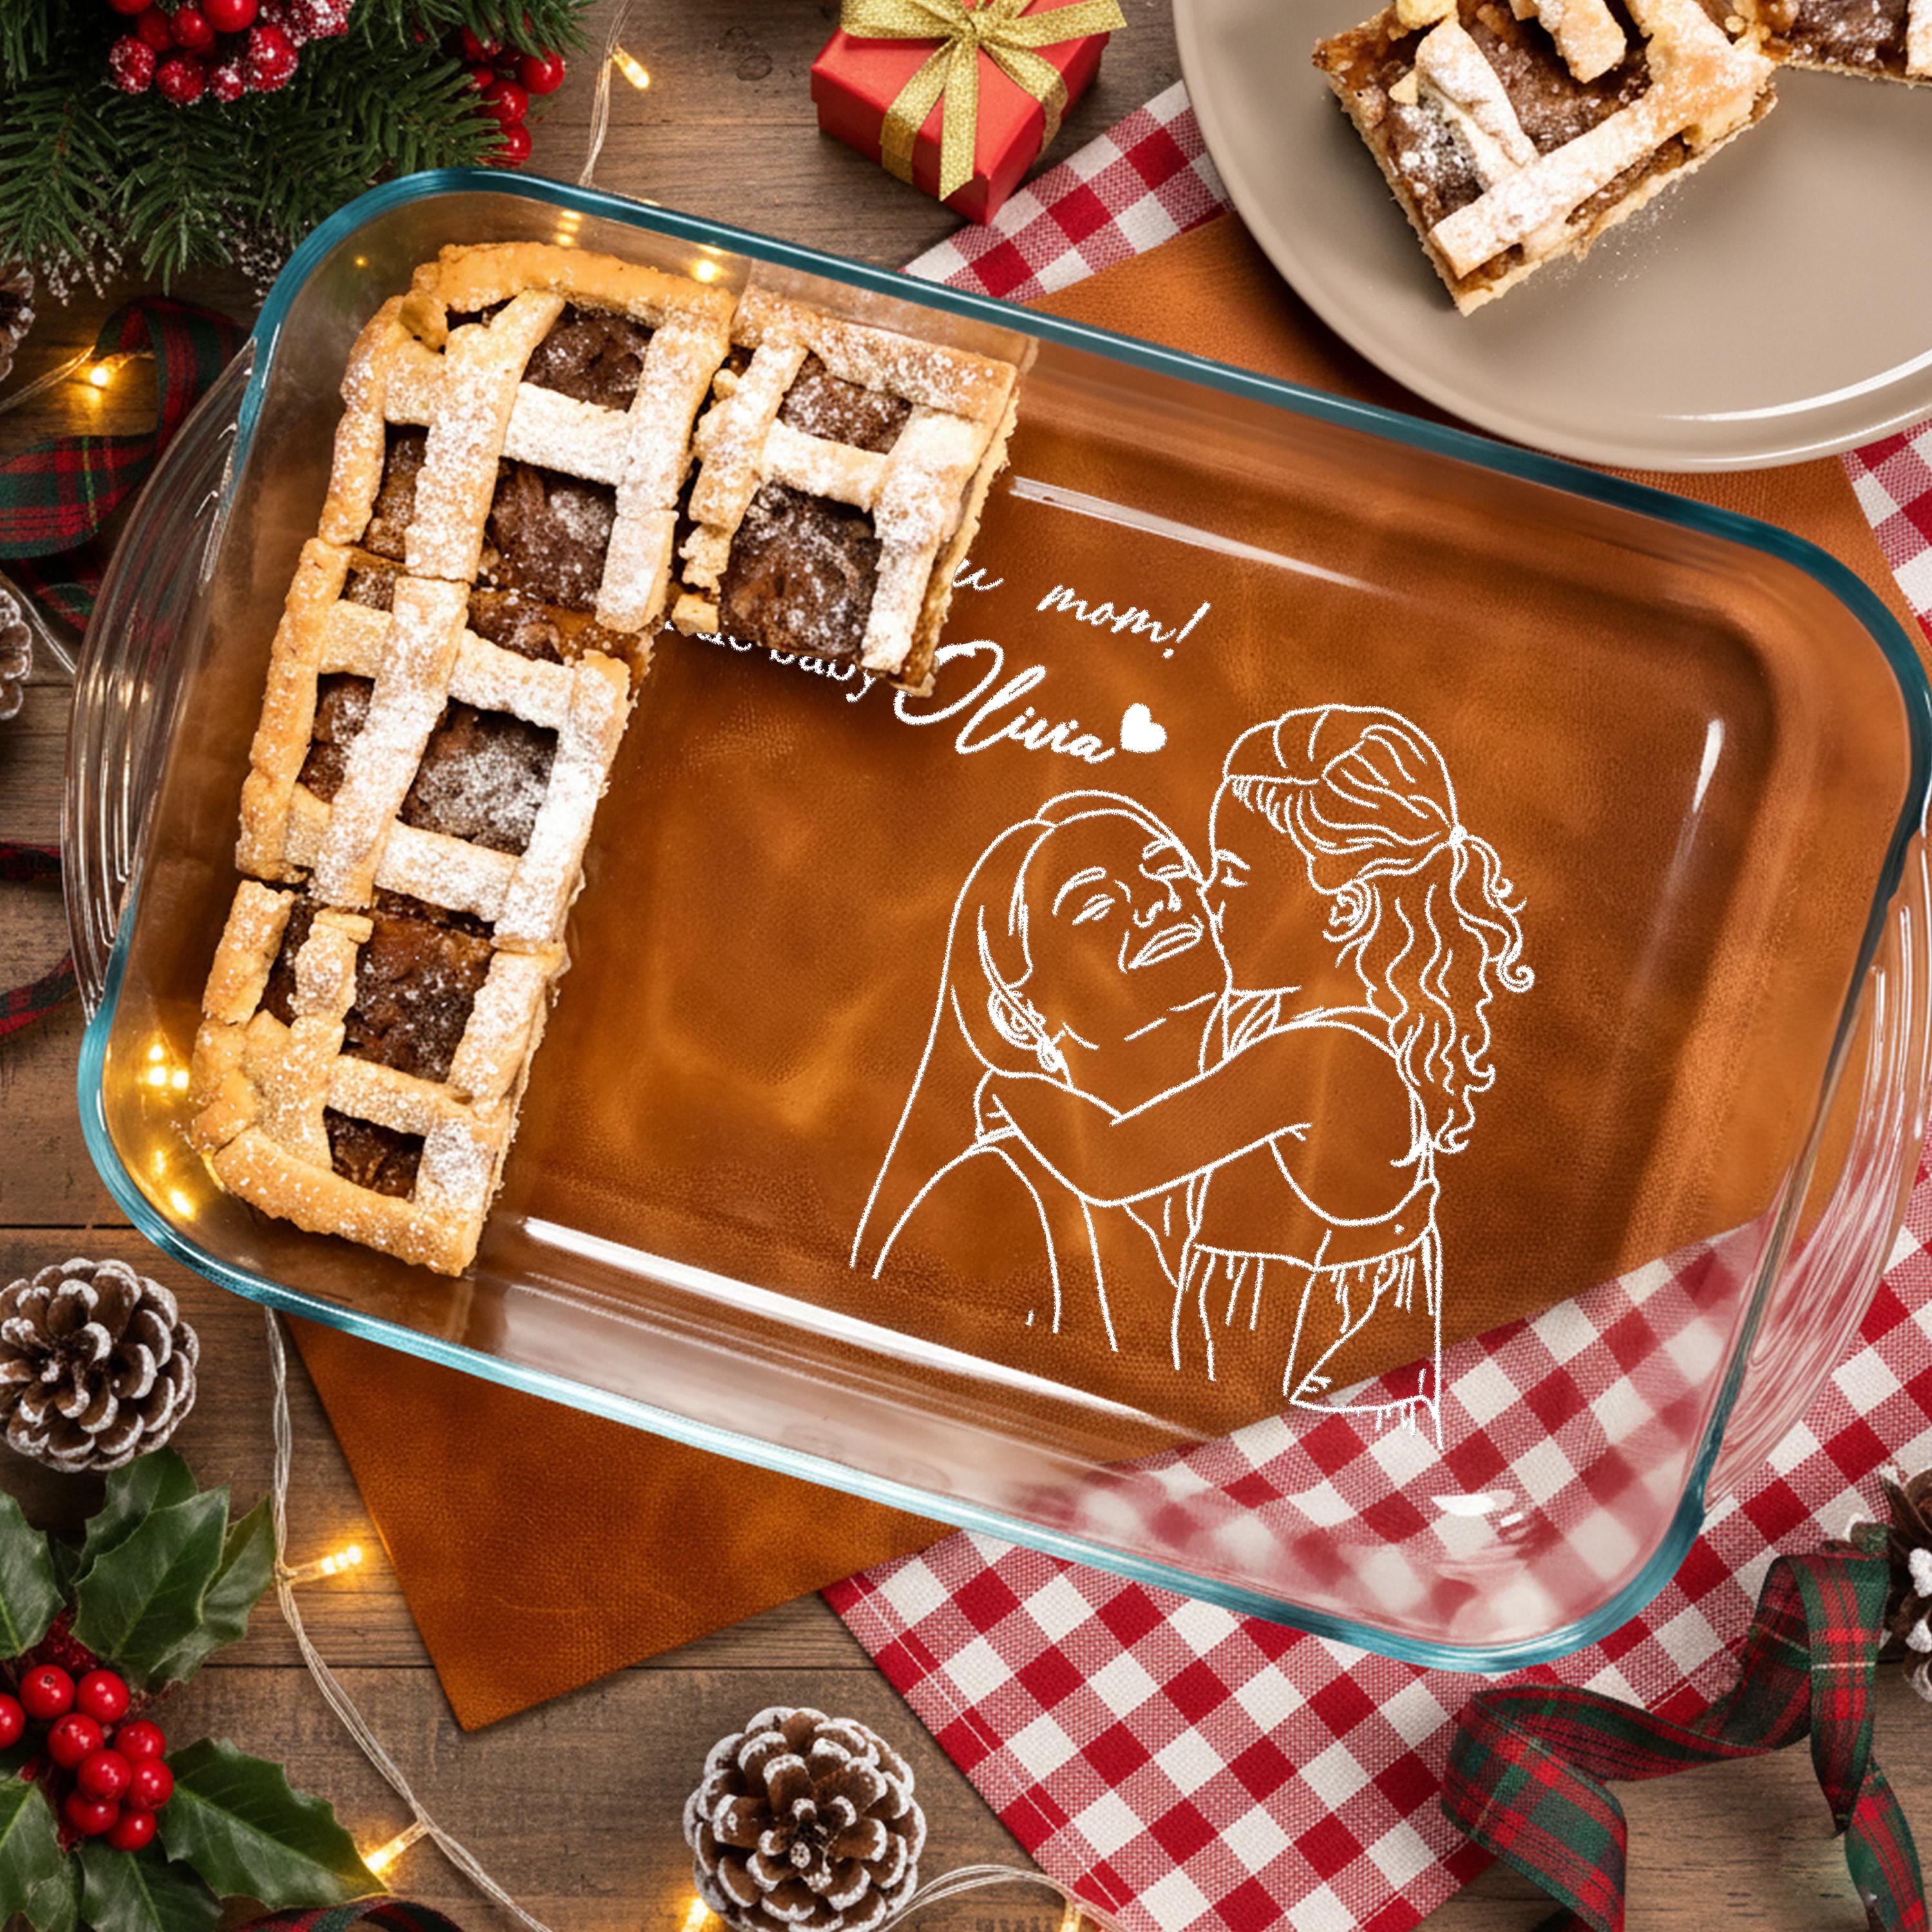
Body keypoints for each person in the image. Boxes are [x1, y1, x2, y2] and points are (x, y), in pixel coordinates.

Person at [987, 705, 1532, 1426]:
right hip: (1253, 1385)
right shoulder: (1290, 1028)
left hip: (1315, 1414)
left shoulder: (1331, 1056)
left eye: (1233, 876)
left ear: (1342, 908)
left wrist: (1012, 1089)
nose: (1207, 899)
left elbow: (1122, 1162)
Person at [851, 792, 1224, 1352]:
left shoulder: (1262, 1162)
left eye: (1169, 869)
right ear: (1018, 1015)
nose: (1157, 900)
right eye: (1096, 903)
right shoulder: (999, 1199)